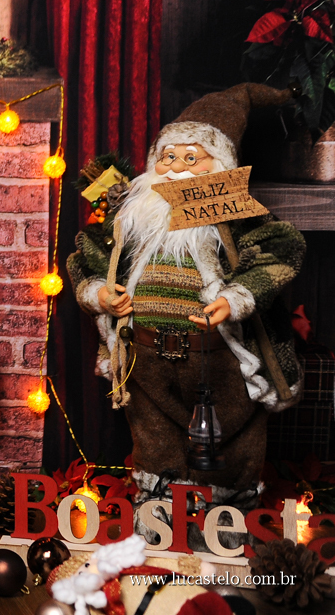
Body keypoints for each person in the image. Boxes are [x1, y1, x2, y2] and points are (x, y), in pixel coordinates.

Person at [67, 83, 304, 533]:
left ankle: (225, 519)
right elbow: (87, 257)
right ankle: (159, 516)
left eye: (191, 158)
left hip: (218, 360)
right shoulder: (132, 214)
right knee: (154, 437)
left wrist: (234, 298)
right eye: (167, 157)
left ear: (220, 166)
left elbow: (281, 249)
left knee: (232, 439)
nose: (175, 168)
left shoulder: (234, 213)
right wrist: (99, 292)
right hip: (146, 359)